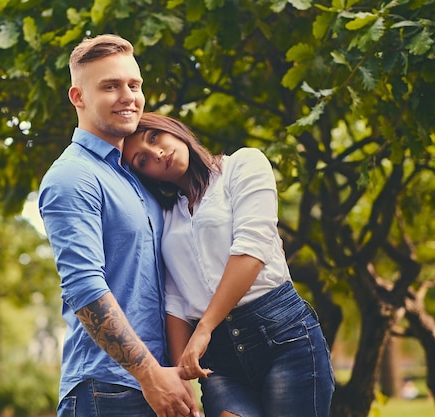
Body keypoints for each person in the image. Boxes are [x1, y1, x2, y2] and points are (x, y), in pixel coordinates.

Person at [122, 112, 335, 417]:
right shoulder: (167, 216)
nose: (157, 153)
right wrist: (180, 375)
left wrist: (204, 328)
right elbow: (176, 298)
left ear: (172, 129)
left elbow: (252, 248)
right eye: (143, 161)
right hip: (220, 360)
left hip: (282, 335)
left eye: (154, 137)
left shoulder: (243, 165)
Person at [38, 35, 200, 417]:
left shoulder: (137, 174)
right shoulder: (72, 176)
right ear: (78, 97)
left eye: (134, 85)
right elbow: (83, 287)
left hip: (156, 384)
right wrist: (149, 375)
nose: (128, 96)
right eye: (110, 86)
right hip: (107, 390)